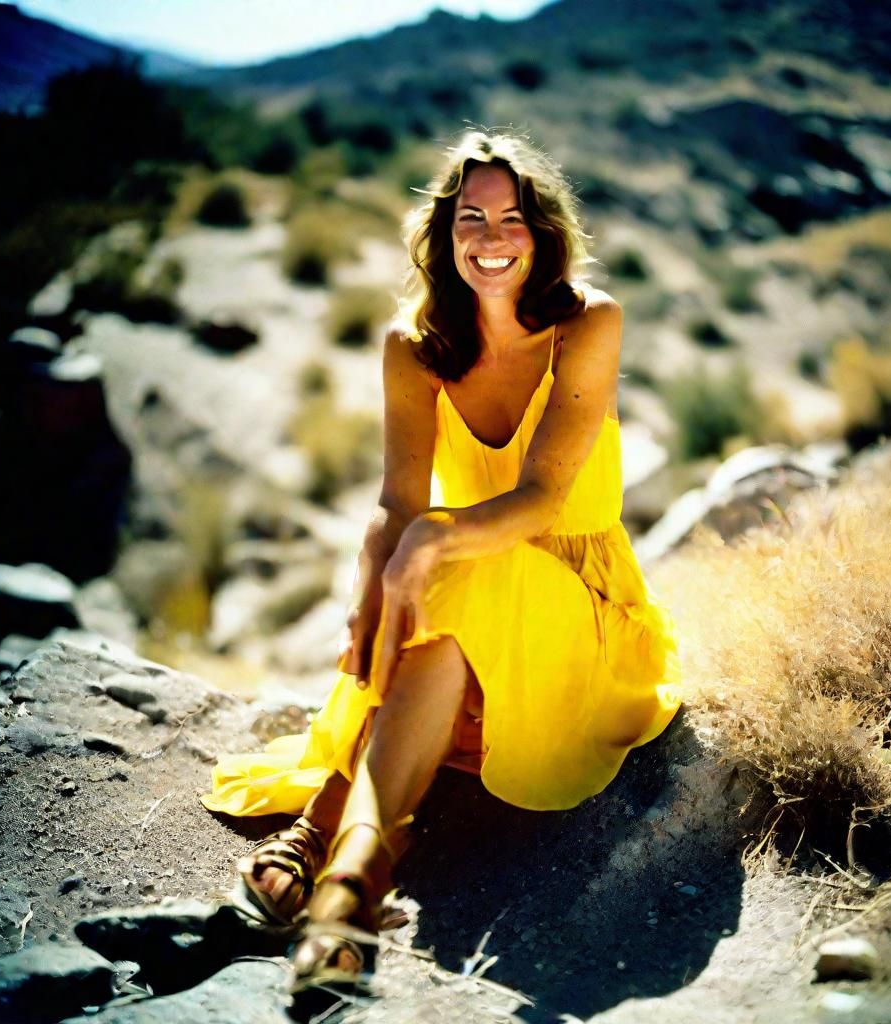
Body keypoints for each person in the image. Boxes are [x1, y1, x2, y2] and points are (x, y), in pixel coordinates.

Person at [200, 128, 683, 991]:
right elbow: (397, 500)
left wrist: (429, 540)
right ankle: (353, 883)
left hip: (580, 610)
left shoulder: (590, 322)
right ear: (445, 232)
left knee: (467, 565)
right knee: (439, 584)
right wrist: (366, 599)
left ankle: (331, 841)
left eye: (511, 219)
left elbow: (537, 500)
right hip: (464, 600)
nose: (491, 240)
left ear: (543, 233)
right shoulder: (412, 345)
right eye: (471, 218)